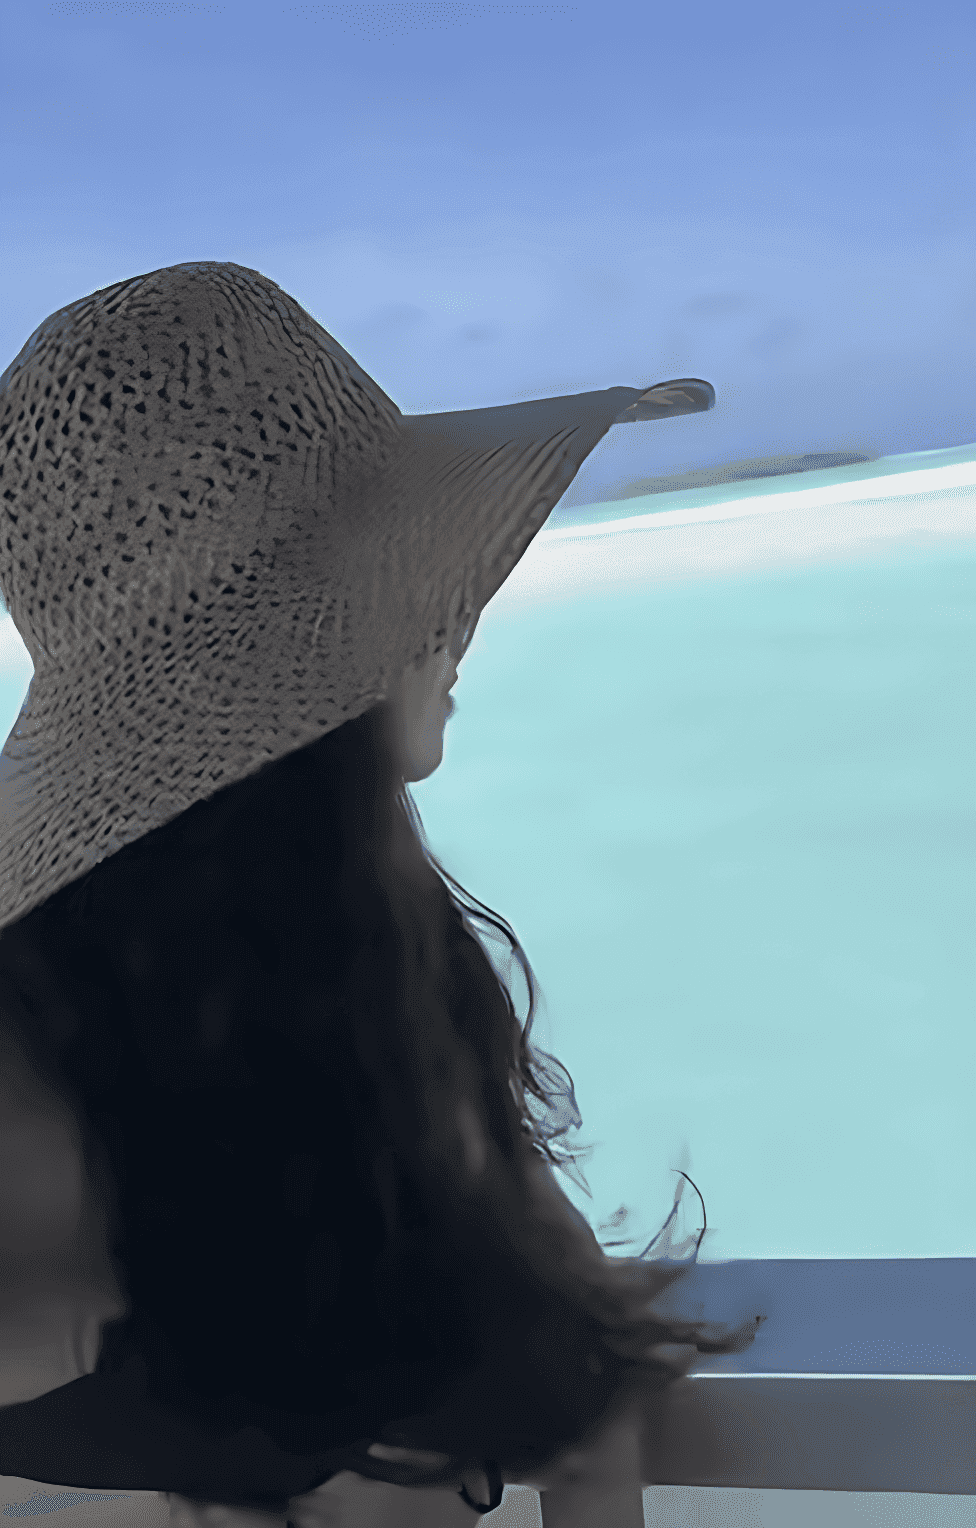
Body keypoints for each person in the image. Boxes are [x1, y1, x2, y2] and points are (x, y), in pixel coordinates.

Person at [0, 263, 761, 1525]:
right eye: (416, 579)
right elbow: (575, 1389)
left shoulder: (355, 998)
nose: (454, 627)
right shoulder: (371, 1028)